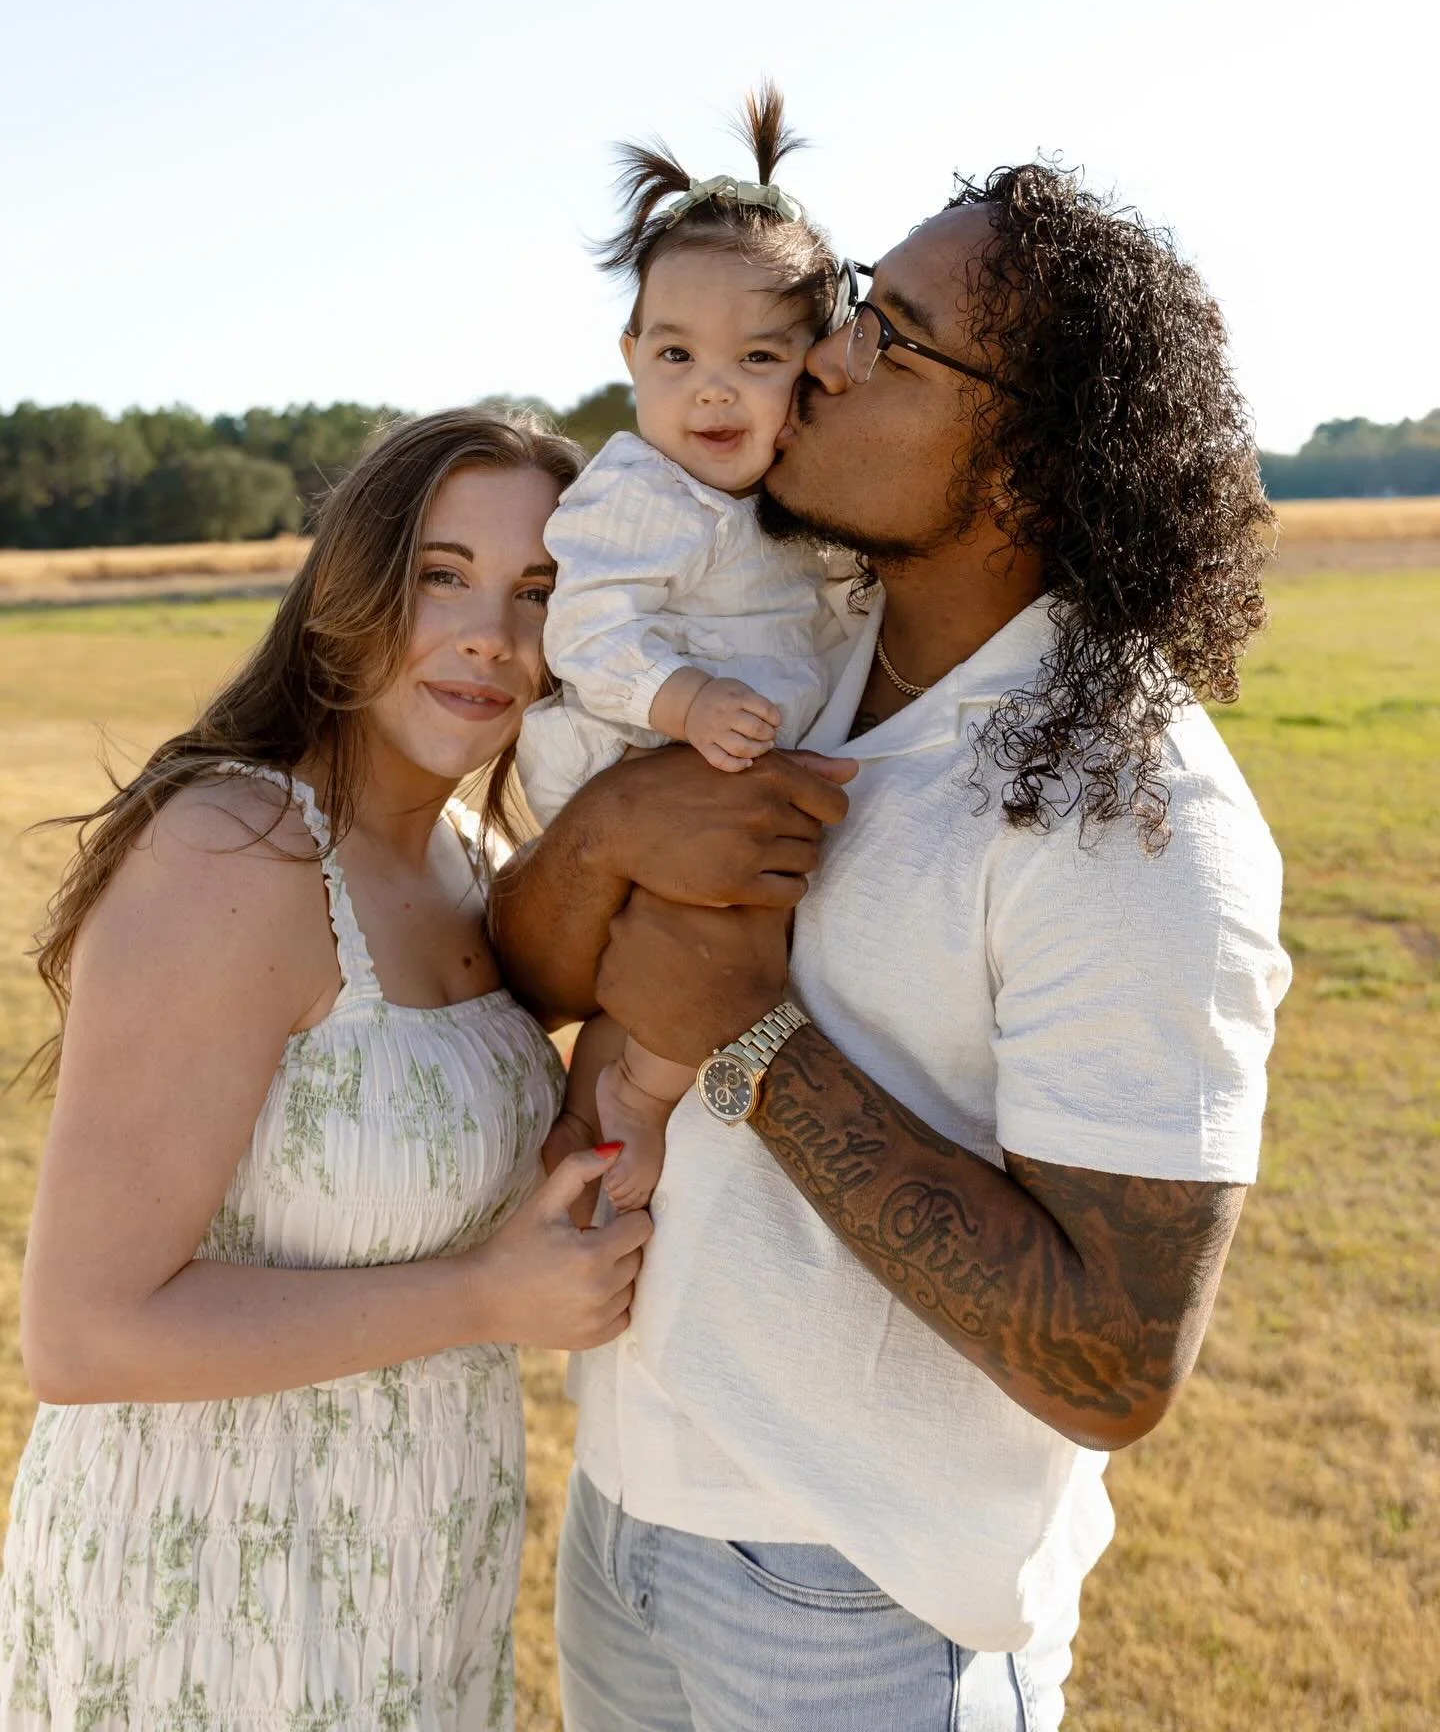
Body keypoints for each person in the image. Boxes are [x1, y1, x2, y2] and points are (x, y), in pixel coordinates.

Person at [492, 164, 1293, 1731]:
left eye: (895, 343)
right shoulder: (785, 641)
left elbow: (1113, 1363)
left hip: (863, 1605)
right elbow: (537, 973)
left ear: (1033, 468)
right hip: (624, 1516)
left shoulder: (1135, 814)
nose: (826, 356)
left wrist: (756, 1042)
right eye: (857, 304)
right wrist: (605, 836)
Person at [0, 410, 652, 1731]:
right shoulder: (238, 851)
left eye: (540, 593)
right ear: (351, 591)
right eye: (441, 575)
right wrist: (484, 1295)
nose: (492, 635)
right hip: (216, 1587)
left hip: (412, 1568)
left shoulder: (472, 858)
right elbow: (81, 1331)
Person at [516, 84, 846, 1214]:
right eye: (676, 353)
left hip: (720, 748)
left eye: (758, 358)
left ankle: (608, 1100)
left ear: (816, 371)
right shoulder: (644, 493)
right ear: (630, 356)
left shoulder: (783, 505)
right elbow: (589, 629)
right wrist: (685, 699)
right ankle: (639, 1108)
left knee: (714, 919)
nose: (711, 386)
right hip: (632, 750)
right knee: (714, 926)